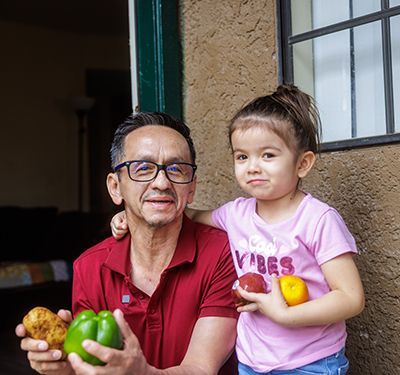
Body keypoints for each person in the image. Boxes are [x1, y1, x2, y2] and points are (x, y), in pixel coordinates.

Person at [111, 85, 365, 374]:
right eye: (242, 157)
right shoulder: (237, 213)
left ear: (303, 163)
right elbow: (184, 213)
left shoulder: (318, 219)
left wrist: (285, 315)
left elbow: (350, 297)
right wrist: (131, 218)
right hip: (252, 362)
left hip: (311, 362)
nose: (253, 167)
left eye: (268, 155)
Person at [15, 112, 239, 375]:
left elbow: (202, 369)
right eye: (143, 168)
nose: (161, 182)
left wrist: (141, 372)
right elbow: (96, 367)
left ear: (191, 188)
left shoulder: (224, 253)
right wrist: (68, 366)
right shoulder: (90, 267)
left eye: (177, 169)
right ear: (115, 187)